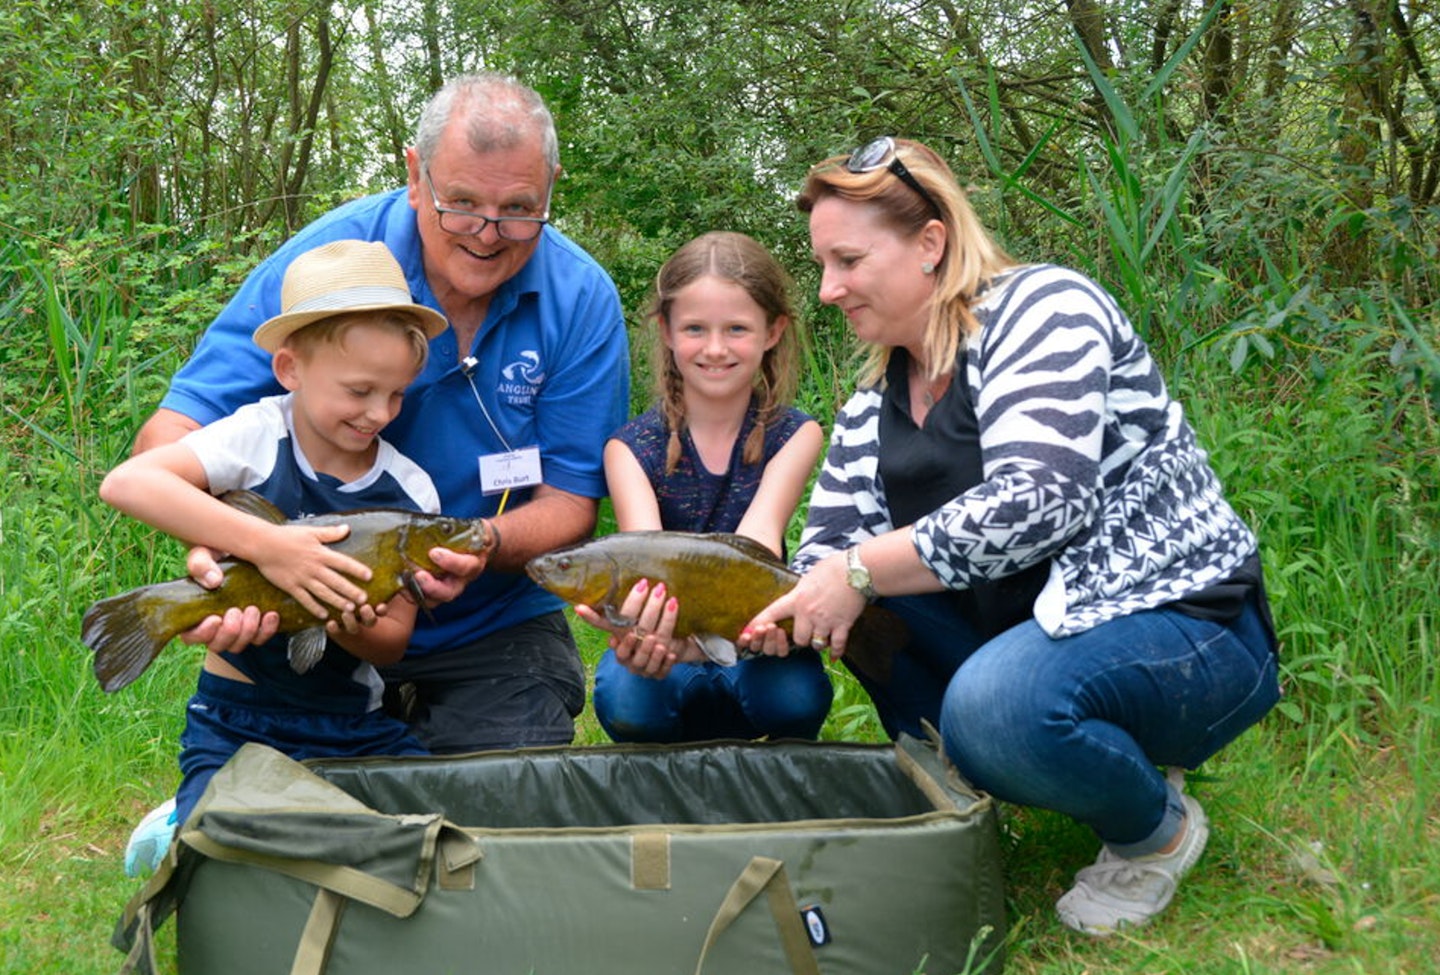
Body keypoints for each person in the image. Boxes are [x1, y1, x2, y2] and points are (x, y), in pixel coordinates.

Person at [739, 137, 1281, 935]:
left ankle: (1153, 830)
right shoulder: (870, 405)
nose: (828, 290)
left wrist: (854, 570)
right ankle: (989, 791)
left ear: (931, 243)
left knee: (990, 706)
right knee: (859, 611)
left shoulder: (1045, 309)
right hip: (1047, 632)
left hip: (1195, 632)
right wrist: (713, 627)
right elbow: (823, 558)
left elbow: (1043, 500)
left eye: (848, 260)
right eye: (823, 265)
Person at [130, 73, 630, 754]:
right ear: (415, 175)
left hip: (493, 620)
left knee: (502, 800)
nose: (487, 234)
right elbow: (168, 437)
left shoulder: (583, 299)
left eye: (518, 208)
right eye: (460, 204)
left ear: (551, 187)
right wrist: (228, 543)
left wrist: (471, 546)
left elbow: (571, 503)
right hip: (308, 605)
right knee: (291, 814)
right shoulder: (327, 263)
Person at [103, 239, 446, 873]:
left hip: (354, 721)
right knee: (224, 867)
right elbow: (126, 483)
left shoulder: (411, 494)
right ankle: (180, 819)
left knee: (424, 844)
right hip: (235, 715)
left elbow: (393, 644)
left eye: (396, 395)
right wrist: (271, 548)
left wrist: (348, 617)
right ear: (290, 369)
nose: (379, 413)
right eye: (360, 390)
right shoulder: (256, 434)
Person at [575, 231, 831, 743]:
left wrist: (757, 633)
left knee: (796, 697)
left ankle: (766, 782)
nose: (715, 349)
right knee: (625, 694)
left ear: (773, 331)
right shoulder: (629, 449)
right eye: (695, 328)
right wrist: (651, 634)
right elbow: (643, 568)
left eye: (737, 328)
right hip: (668, 653)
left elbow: (755, 549)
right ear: (666, 331)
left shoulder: (797, 434)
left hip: (757, 639)